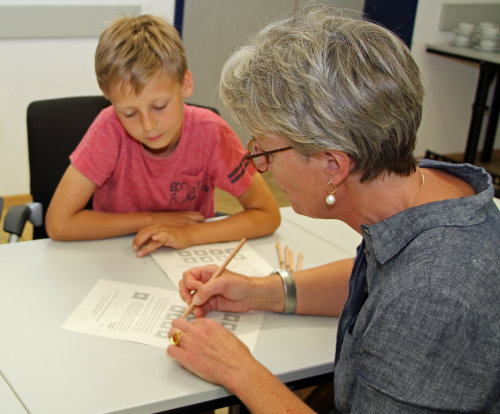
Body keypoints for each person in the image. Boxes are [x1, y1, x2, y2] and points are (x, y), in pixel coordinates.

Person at [165, 10, 500, 414]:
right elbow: (383, 279)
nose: (258, 166)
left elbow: (408, 294)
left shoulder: (431, 296)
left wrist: (239, 371)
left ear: (333, 166)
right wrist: (263, 291)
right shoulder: (421, 188)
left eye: (266, 152)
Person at [45, 14, 280, 257]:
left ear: (185, 83)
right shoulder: (109, 128)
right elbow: (58, 224)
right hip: (117, 255)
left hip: (184, 259)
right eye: (129, 113)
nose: (148, 126)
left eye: (159, 106)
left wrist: (189, 235)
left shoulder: (211, 133)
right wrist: (153, 220)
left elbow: (267, 215)